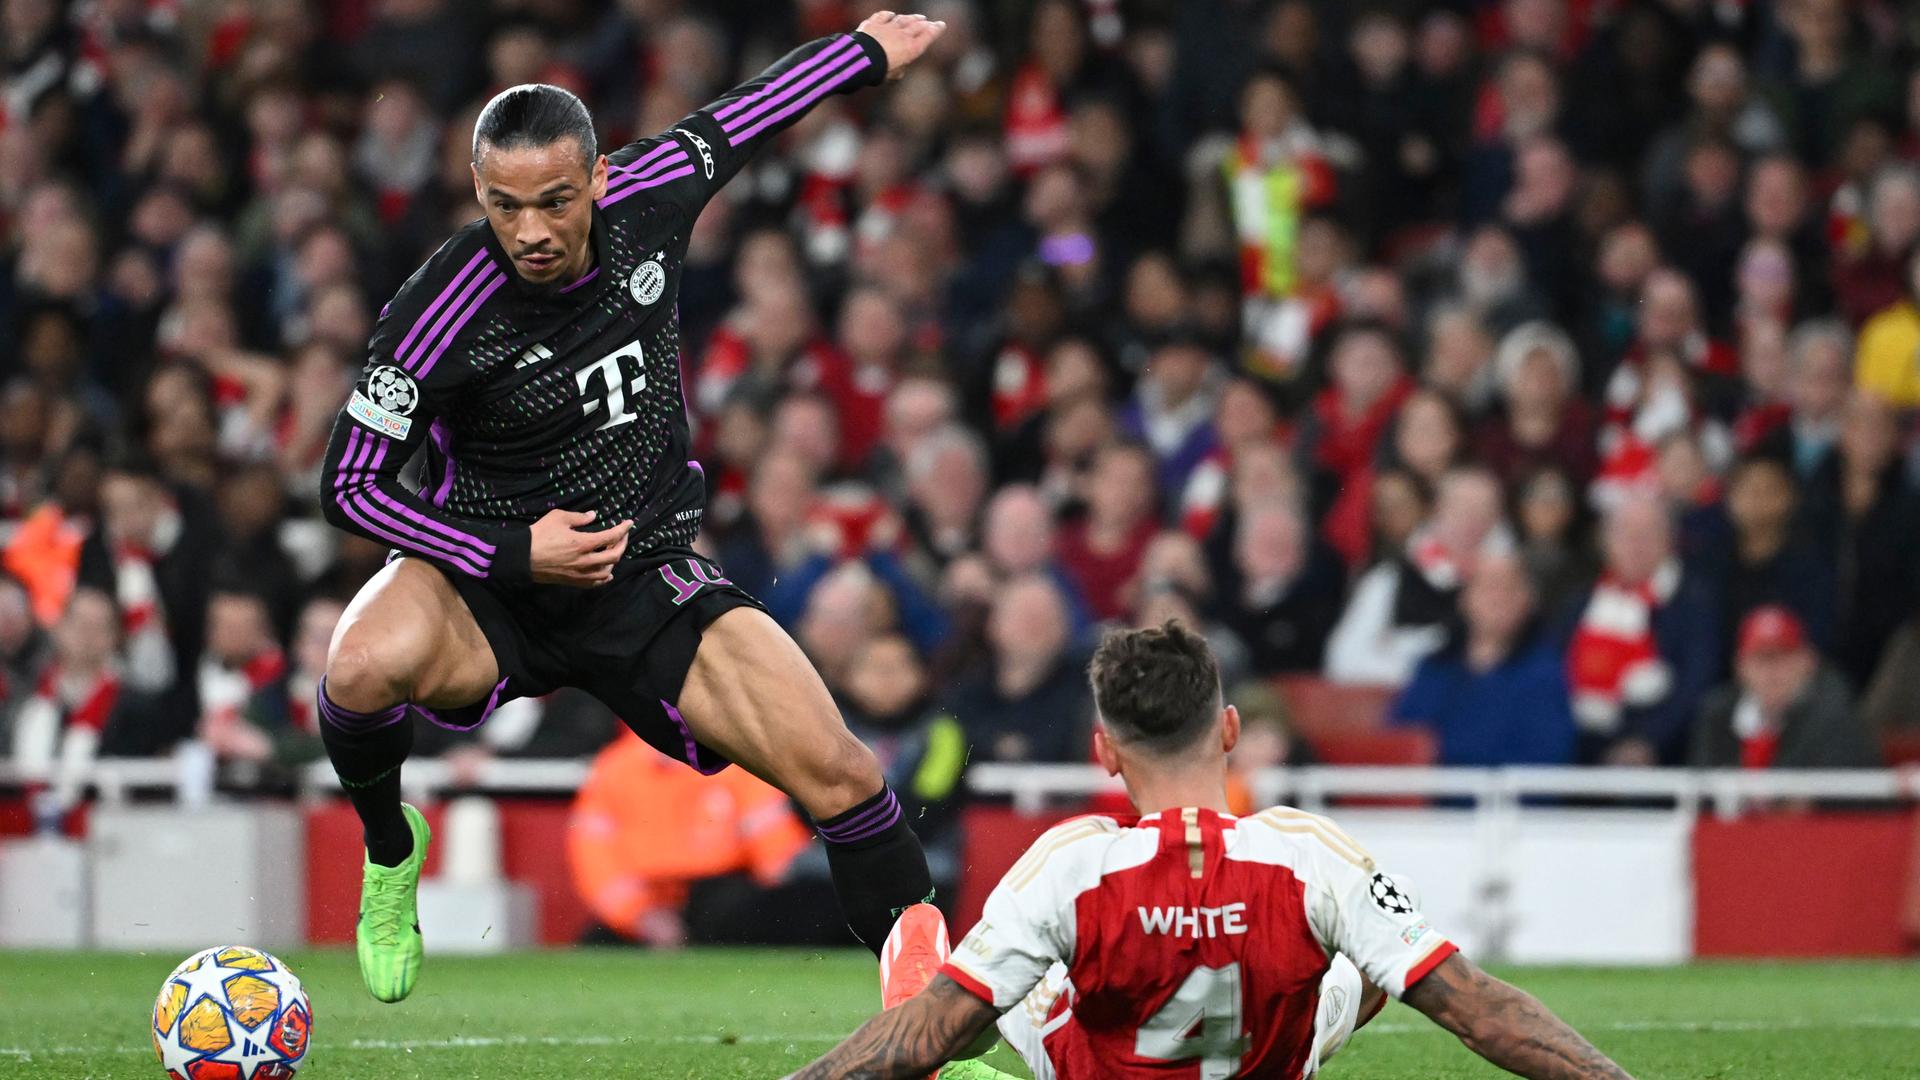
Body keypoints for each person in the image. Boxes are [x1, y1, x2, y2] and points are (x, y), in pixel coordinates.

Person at [312, 12, 950, 1003]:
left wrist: (862, 53)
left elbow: (743, 117)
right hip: (488, 585)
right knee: (356, 666)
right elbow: (346, 483)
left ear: (601, 179)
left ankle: (935, 1034)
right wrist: (511, 553)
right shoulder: (436, 311)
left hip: (642, 576)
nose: (529, 231)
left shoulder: (652, 196)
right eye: (504, 205)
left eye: (555, 201)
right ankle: (393, 850)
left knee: (846, 776)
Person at [790, 621, 1633, 1080]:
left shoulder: (1074, 862)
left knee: (972, 1004)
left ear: (1105, 753)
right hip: (1274, 1050)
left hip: (1093, 1067)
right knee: (1375, 961)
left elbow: (920, 1038)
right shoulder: (1308, 851)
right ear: (1229, 730)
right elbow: (1480, 1010)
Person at [1393, 551, 1577, 766]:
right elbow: (1398, 744)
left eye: (1510, 587)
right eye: (1488, 586)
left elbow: (1548, 760)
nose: (1499, 598)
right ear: (1464, 598)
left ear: (1529, 600)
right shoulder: (1433, 669)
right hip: (1431, 796)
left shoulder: (1548, 674)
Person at [1691, 606, 1880, 769]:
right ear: (1741, 666)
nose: (1773, 671)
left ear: (1808, 661)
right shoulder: (1718, 715)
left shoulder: (1836, 716)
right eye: (1762, 659)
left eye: (1785, 656)